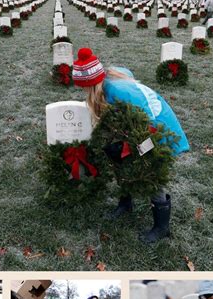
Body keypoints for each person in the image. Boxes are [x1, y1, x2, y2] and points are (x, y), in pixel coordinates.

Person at [72, 48, 189, 244]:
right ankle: (125, 203)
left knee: (151, 171)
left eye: (84, 88)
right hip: (140, 128)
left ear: (90, 84)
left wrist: (134, 148)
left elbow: (150, 125)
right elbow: (126, 71)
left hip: (159, 131)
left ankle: (162, 227)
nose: (83, 92)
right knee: (120, 159)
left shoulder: (119, 92)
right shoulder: (111, 75)